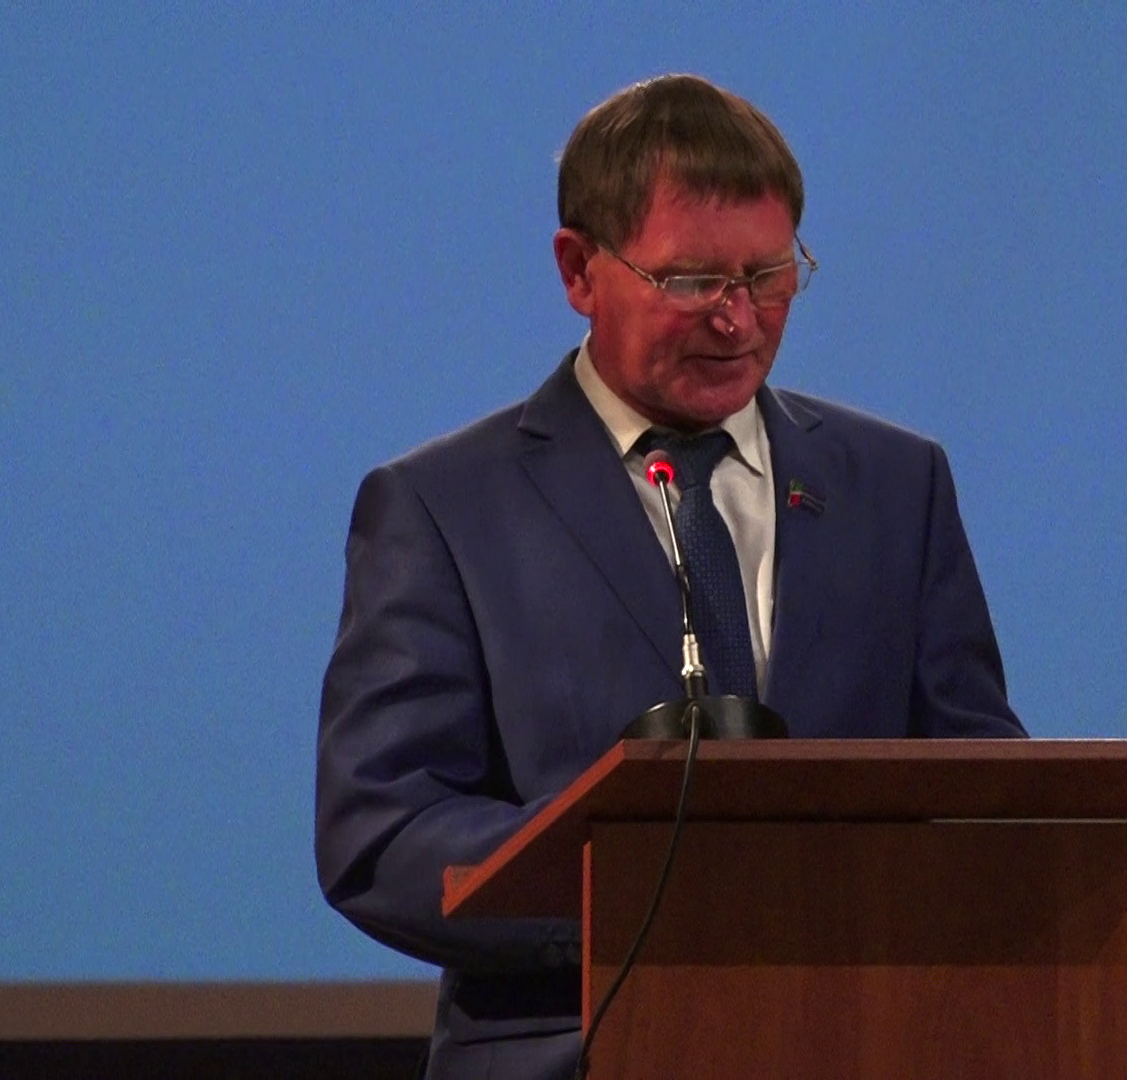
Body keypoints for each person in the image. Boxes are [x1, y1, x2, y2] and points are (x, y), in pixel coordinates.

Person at [314, 74, 1026, 1080]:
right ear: (579, 269)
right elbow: (382, 833)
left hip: (865, 1045)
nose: (739, 321)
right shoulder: (442, 508)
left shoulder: (897, 485)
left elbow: (981, 784)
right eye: (693, 282)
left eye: (768, 275)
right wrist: (643, 891)